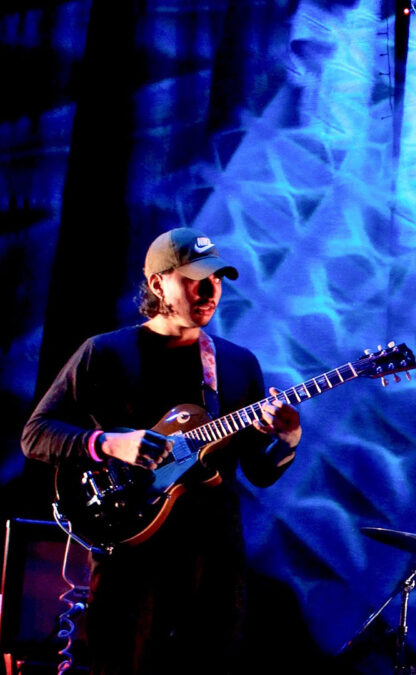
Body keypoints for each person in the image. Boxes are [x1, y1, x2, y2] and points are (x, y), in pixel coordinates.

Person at [22, 227, 302, 675]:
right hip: (133, 558)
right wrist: (109, 444)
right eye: (196, 279)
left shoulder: (236, 364)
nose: (211, 290)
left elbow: (258, 471)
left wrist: (287, 441)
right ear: (157, 284)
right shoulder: (106, 353)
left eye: (217, 278)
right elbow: (36, 435)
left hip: (214, 561)